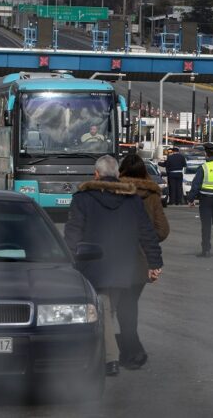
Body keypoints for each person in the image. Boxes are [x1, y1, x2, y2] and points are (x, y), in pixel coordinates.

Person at [64, 155, 163, 377]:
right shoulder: (132, 199)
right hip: (125, 266)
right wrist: (155, 262)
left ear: (96, 174)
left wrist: (68, 261)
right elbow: (147, 232)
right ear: (117, 174)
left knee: (105, 311)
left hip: (93, 264)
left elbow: (73, 232)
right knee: (110, 310)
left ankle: (110, 360)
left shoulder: (83, 199)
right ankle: (111, 355)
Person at [117, 154, 170, 370]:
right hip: (140, 259)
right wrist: (145, 240)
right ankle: (131, 349)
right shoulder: (151, 194)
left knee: (116, 306)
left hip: (115, 257)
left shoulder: (113, 192)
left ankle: (131, 350)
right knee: (128, 305)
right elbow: (162, 230)